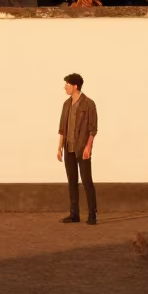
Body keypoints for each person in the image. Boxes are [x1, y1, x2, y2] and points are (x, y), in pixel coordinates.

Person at [57, 73, 98, 224]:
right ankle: (74, 214)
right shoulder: (66, 104)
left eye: (67, 84)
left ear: (75, 86)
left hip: (82, 148)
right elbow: (62, 128)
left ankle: (92, 214)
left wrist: (89, 147)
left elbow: (93, 129)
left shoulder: (89, 104)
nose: (65, 87)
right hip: (69, 148)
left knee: (87, 182)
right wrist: (59, 147)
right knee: (72, 181)